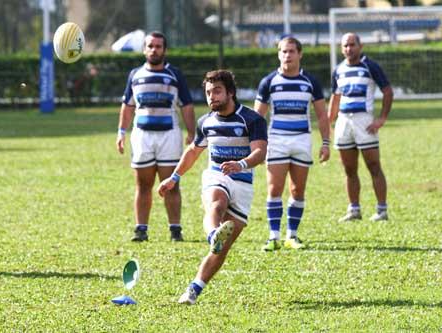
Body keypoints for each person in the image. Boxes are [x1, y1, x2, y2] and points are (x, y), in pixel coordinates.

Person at [158, 70, 267, 305]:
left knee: (221, 251)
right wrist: (174, 177)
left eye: (217, 91)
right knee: (216, 204)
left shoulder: (252, 119)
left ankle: (194, 289)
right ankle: (212, 235)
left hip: (243, 184)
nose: (212, 97)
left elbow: (260, 152)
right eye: (208, 92)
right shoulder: (205, 122)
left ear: (230, 92)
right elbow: (194, 151)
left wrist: (241, 164)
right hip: (216, 177)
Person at [116, 31, 196, 242]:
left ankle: (175, 230)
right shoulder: (135, 75)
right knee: (143, 184)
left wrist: (192, 133)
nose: (154, 50)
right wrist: (121, 132)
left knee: (171, 183)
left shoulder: (175, 75)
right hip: (142, 136)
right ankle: (141, 229)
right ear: (144, 49)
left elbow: (186, 105)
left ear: (165, 50)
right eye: (150, 46)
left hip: (169, 136)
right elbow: (128, 106)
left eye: (158, 46)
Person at [255, 36, 330, 251]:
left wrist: (325, 143)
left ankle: (292, 235)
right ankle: (273, 236)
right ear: (279, 54)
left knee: (297, 190)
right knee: (274, 188)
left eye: (291, 51)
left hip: (302, 140)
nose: (287, 55)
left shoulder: (310, 82)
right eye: (283, 51)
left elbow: (322, 116)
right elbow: (258, 117)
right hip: (276, 140)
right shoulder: (268, 82)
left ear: (300, 54)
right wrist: (257, 147)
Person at [328, 33, 393, 222]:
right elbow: (335, 97)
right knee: (349, 169)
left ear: (360, 46)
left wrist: (381, 119)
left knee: (374, 166)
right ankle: (354, 209)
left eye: (352, 45)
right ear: (341, 48)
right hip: (343, 123)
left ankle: (382, 210)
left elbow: (388, 91)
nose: (349, 49)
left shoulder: (370, 66)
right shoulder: (338, 70)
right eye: (345, 46)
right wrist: (330, 121)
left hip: (364, 122)